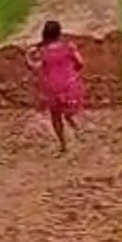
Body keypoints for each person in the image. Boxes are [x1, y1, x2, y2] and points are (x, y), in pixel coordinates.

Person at [25, 20, 85, 153]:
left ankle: (64, 145)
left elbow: (35, 67)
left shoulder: (43, 51)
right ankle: (77, 129)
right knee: (70, 110)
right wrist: (73, 71)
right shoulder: (69, 47)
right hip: (70, 83)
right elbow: (80, 63)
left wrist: (28, 58)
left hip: (52, 87)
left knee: (56, 116)